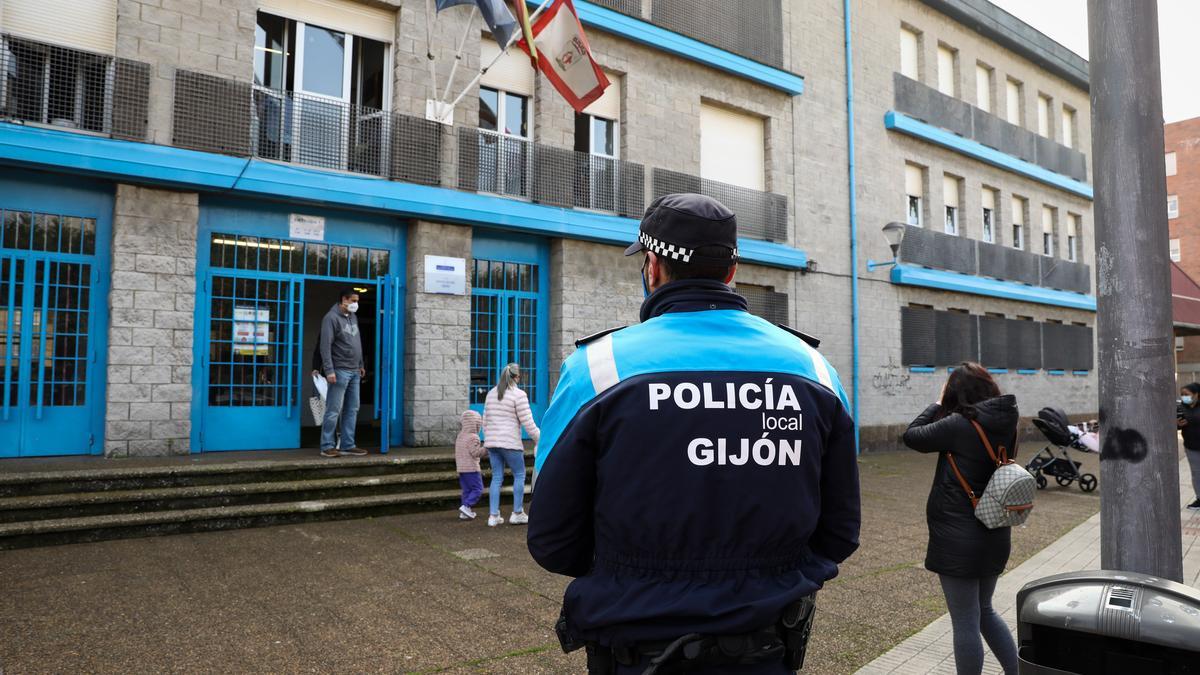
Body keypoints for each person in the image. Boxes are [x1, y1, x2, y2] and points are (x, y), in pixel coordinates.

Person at [527, 193, 861, 674]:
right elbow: (840, 532)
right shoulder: (814, 368)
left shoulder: (597, 368)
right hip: (767, 646)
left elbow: (553, 540)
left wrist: (632, 572)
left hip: (635, 644)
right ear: (730, 272)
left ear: (653, 267)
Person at [901, 363, 1020, 675]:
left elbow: (912, 437)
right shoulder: (1007, 420)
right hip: (995, 528)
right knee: (984, 610)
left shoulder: (958, 424)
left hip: (959, 537)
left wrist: (938, 403)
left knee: (965, 620)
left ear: (957, 393)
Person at [482, 363, 540, 527]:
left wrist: (488, 439)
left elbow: (484, 421)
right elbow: (528, 423)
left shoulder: (491, 394)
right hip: (510, 443)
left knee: (497, 477)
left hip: (492, 443)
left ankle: (493, 516)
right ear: (516, 377)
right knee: (519, 475)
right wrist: (540, 440)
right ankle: (517, 513)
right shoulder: (519, 395)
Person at [318, 289, 366, 458]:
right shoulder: (330, 318)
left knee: (352, 409)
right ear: (343, 300)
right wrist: (329, 370)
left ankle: (347, 444)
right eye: (353, 300)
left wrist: (360, 364)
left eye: (357, 300)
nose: (356, 304)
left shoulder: (352, 317)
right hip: (339, 370)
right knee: (334, 409)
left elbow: (356, 342)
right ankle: (327, 446)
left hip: (354, 371)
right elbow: (325, 346)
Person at [455, 410, 487, 520]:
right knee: (478, 489)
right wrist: (486, 448)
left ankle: (464, 512)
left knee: (466, 490)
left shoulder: (460, 435)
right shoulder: (473, 437)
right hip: (472, 468)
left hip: (461, 468)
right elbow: (476, 453)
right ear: (477, 424)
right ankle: (466, 506)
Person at [1177, 383, 1200, 510]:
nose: (1184, 397)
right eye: (1182, 394)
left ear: (1196, 394)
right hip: (1191, 446)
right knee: (1197, 473)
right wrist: (1177, 424)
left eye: (1187, 394)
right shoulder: (1181, 408)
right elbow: (1175, 425)